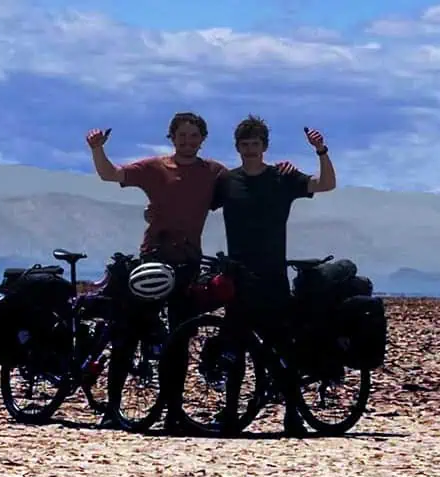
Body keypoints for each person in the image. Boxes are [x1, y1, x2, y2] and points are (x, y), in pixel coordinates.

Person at [86, 112, 296, 434]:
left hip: (188, 264)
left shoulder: (213, 173)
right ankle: (113, 410)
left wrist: (283, 171)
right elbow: (109, 175)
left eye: (194, 136)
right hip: (152, 261)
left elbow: (250, 179)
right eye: (181, 135)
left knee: (180, 338)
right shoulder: (154, 168)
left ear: (202, 139)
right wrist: (97, 149)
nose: (187, 141)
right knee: (131, 332)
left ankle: (174, 412)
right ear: (172, 138)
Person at [210, 114, 337, 437]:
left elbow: (326, 185)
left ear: (264, 147)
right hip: (238, 276)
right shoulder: (227, 181)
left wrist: (321, 151)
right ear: (237, 147)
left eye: (255, 144)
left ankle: (293, 416)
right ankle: (230, 415)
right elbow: (196, 205)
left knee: (282, 349)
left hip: (271, 275)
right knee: (235, 349)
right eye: (245, 144)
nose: (250, 149)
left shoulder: (282, 178)